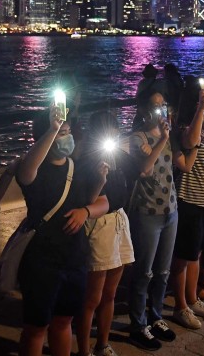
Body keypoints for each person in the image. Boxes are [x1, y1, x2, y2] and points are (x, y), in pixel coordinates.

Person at [16, 106, 108, 356]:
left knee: (64, 321)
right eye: (59, 132)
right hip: (42, 261)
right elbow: (26, 174)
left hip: (73, 258)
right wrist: (52, 128)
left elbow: (95, 201)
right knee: (36, 327)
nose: (65, 137)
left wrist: (95, 191)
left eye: (66, 131)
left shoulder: (75, 167)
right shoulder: (32, 169)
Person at [74, 111, 135, 356]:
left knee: (110, 293)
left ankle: (103, 344)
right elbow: (87, 201)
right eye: (109, 131)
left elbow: (139, 172)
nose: (114, 134)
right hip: (99, 225)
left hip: (120, 220)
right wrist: (99, 179)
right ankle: (83, 350)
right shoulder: (87, 160)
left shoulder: (118, 156)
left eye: (116, 130)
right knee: (92, 297)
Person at [123, 91, 179, 351]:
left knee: (163, 272)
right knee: (143, 272)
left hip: (171, 211)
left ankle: (156, 317)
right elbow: (145, 169)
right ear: (144, 110)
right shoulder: (137, 138)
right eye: (155, 106)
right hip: (147, 213)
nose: (160, 111)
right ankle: (138, 325)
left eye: (163, 105)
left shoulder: (169, 135)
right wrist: (163, 139)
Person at [168, 76, 204, 330]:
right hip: (189, 199)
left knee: (197, 252)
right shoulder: (182, 126)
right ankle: (181, 306)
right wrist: (201, 109)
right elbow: (190, 142)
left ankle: (192, 298)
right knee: (183, 256)